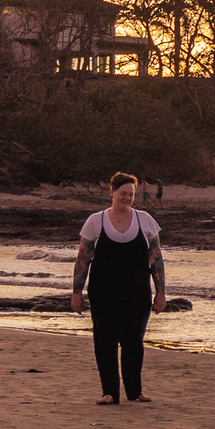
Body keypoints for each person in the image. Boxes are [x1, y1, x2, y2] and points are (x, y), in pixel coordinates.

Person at [70, 171, 167, 406]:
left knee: (134, 341)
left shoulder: (145, 221)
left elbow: (156, 258)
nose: (127, 198)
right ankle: (109, 392)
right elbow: (83, 259)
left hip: (137, 292)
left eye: (131, 194)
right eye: (123, 193)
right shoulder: (96, 221)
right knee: (105, 342)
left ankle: (135, 391)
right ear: (112, 192)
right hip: (103, 292)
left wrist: (161, 293)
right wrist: (76, 293)